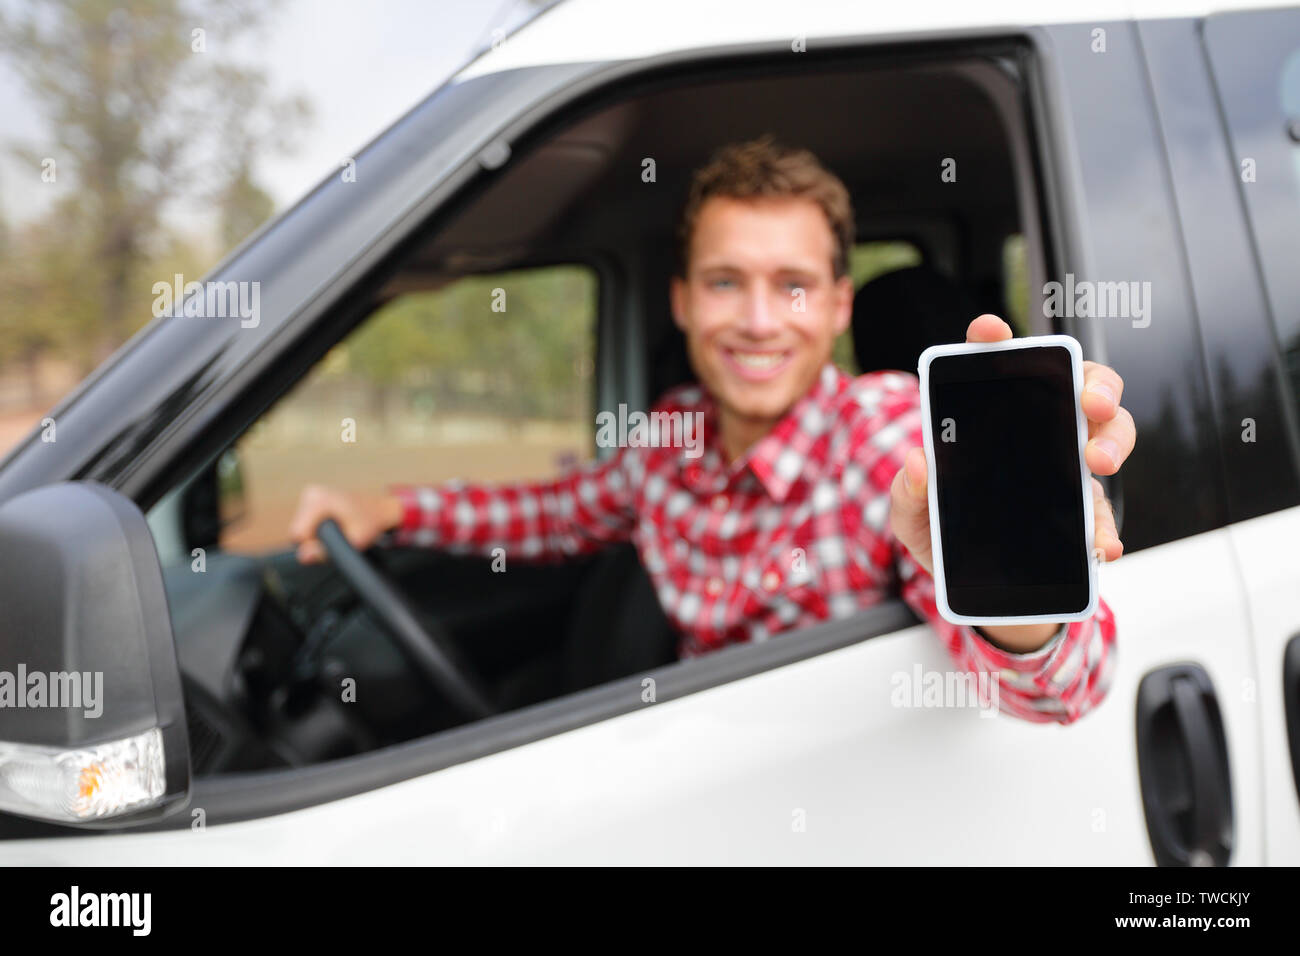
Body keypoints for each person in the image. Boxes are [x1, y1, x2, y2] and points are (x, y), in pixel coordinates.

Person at [289, 137, 1132, 725]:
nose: (760, 321)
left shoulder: (890, 442)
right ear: (684, 302)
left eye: (793, 286)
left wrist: (1020, 575)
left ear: (840, 304)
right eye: (726, 283)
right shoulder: (668, 438)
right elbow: (556, 512)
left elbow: (1069, 694)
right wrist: (391, 508)